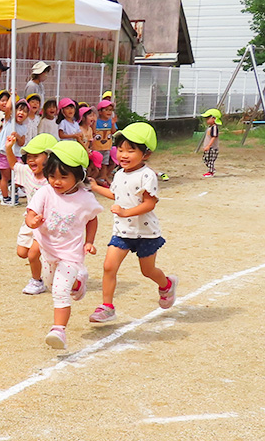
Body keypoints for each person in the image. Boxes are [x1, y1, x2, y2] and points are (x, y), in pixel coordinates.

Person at [88, 123, 178, 324]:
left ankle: (166, 284)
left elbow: (150, 203)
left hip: (145, 233)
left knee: (147, 271)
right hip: (122, 232)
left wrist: (125, 211)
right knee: (109, 267)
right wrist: (95, 187)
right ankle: (107, 307)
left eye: (131, 150)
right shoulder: (119, 173)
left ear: (146, 154)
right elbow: (116, 195)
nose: (123, 155)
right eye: (120, 150)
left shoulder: (147, 175)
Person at [25, 141, 103, 349]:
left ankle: (58, 330)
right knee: (52, 285)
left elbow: (92, 219)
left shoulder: (85, 199)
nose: (56, 182)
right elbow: (30, 214)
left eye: (63, 177)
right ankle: (78, 283)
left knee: (59, 291)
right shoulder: (45, 192)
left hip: (71, 254)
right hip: (47, 251)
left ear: (79, 176)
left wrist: (89, 242)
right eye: (52, 176)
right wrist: (32, 222)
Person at [5, 133, 57, 294]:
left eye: (36, 156)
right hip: (30, 220)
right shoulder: (28, 172)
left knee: (33, 255)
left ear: (49, 157)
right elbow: (14, 165)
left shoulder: (54, 178)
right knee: (22, 253)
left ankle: (37, 281)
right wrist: (8, 148)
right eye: (29, 157)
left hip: (46, 223)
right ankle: (53, 264)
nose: (31, 160)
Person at [0, 98, 30, 206]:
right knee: (5, 176)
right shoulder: (10, 121)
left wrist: (17, 136)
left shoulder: (24, 127)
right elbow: (8, 108)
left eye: (25, 111)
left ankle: (13, 189)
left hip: (16, 154)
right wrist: (12, 96)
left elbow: (22, 142)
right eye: (19, 110)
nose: (21, 112)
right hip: (3, 152)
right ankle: (5, 197)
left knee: (19, 173)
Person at [92, 99, 117, 185]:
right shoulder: (97, 121)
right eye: (106, 110)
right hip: (96, 147)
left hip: (107, 147)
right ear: (100, 112)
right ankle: (94, 178)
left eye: (110, 110)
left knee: (104, 164)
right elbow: (93, 132)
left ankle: (102, 178)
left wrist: (113, 123)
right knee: (95, 165)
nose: (109, 112)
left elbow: (114, 131)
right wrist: (94, 122)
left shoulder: (111, 121)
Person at [201, 108, 222, 178]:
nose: (206, 120)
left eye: (208, 118)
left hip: (212, 148)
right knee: (205, 159)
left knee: (210, 160)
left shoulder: (214, 127)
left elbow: (214, 137)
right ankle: (212, 169)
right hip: (208, 147)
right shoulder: (210, 127)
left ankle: (211, 171)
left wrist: (209, 146)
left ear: (214, 118)